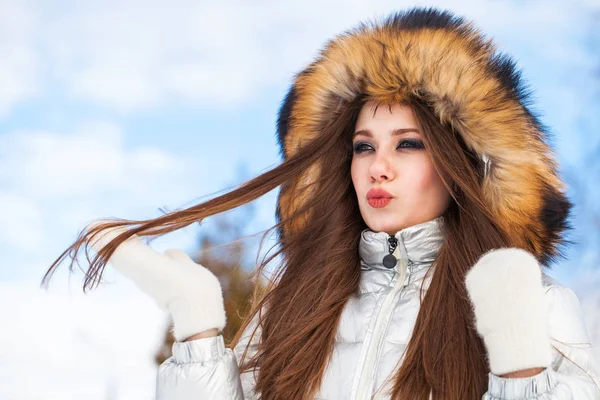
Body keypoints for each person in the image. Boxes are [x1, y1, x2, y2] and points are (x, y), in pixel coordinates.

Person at [43, 7, 600, 399]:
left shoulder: (536, 306)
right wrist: (198, 334)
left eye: (408, 143)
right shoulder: (295, 307)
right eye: (363, 147)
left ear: (461, 164)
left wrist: (521, 369)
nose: (377, 166)